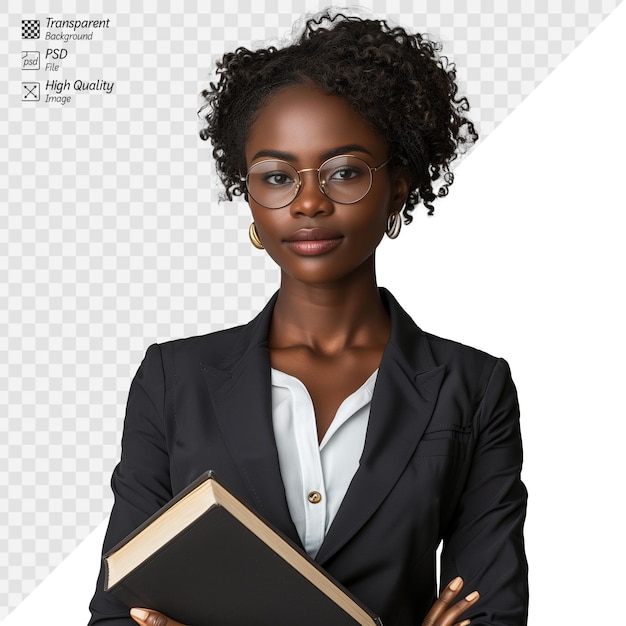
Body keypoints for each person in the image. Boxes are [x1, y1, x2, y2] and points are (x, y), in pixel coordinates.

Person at [88, 10, 528, 626]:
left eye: (344, 172)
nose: (309, 202)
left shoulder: (472, 388)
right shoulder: (174, 379)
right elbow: (118, 611)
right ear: (249, 195)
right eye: (276, 177)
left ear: (398, 188)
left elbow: (490, 613)